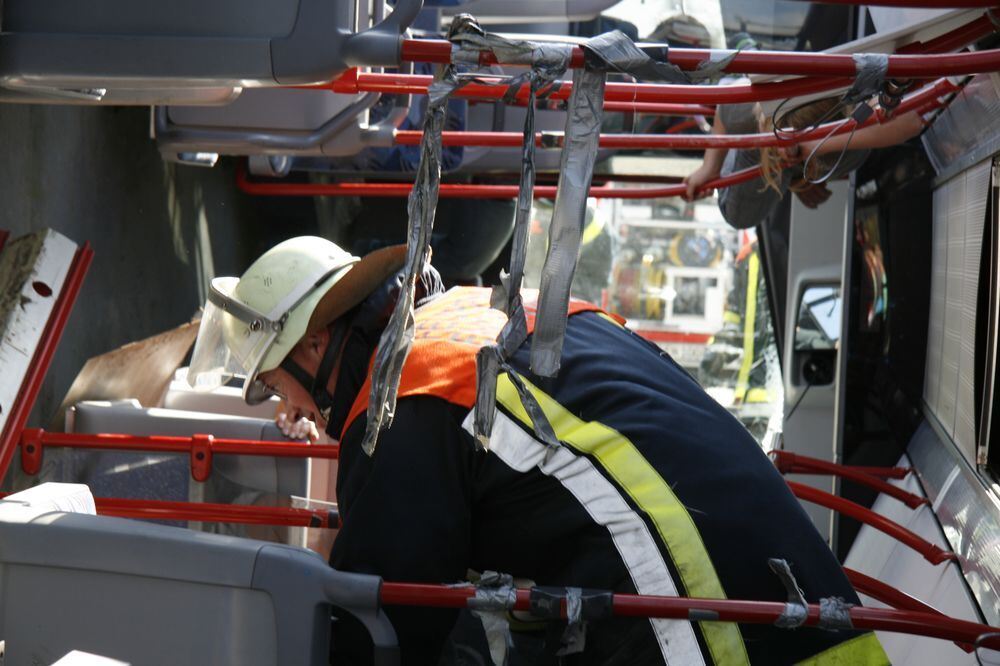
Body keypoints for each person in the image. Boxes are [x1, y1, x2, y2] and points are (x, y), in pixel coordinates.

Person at [188, 236, 889, 665]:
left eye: (276, 382)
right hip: (795, 598)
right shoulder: (473, 317)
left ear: (314, 344)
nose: (289, 408)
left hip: (705, 616)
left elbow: (382, 626)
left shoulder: (405, 398)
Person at [682, 96, 926, 229]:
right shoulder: (756, 117)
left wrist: (815, 145)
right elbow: (725, 106)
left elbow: (911, 121)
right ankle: (774, 155)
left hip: (815, 143)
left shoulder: (854, 114)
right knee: (738, 215)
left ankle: (787, 163)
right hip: (758, 141)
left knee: (739, 215)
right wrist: (709, 167)